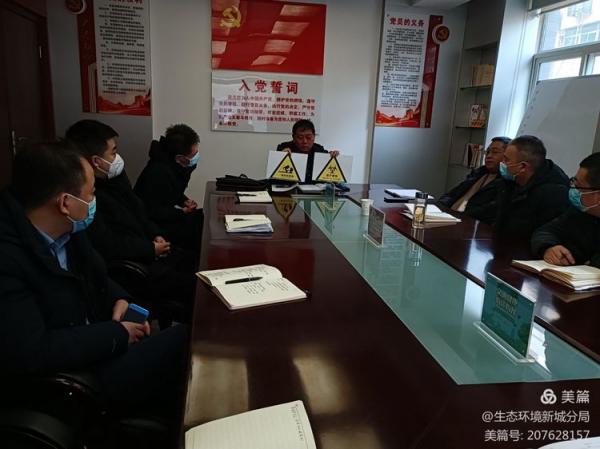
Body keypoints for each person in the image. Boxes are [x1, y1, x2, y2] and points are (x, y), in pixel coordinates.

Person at [0, 142, 188, 443]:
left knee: (189, 351)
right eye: (91, 193)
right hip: (66, 382)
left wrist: (120, 299)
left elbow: (99, 276)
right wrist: (117, 334)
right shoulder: (8, 258)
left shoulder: (67, 230)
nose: (93, 201)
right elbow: (33, 351)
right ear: (65, 203)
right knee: (187, 341)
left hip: (95, 343)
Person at [65, 120, 197, 311]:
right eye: (113, 152)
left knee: (199, 263)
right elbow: (108, 243)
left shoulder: (114, 177)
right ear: (96, 161)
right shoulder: (86, 199)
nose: (117, 158)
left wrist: (155, 234)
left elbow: (139, 209)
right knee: (198, 285)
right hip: (137, 264)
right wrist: (149, 249)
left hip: (150, 248)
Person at [134, 124, 203, 251]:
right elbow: (151, 210)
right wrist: (181, 212)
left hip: (165, 216)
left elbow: (171, 192)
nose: (196, 157)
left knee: (201, 217)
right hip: (152, 226)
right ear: (179, 158)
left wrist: (183, 200)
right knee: (197, 226)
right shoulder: (158, 172)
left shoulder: (174, 164)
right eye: (193, 155)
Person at [493, 135, 570, 239]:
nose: (502, 163)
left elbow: (543, 236)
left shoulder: (554, 194)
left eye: (506, 160)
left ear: (523, 167)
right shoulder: (510, 180)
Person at [531, 153, 600, 267]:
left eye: (578, 187)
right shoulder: (579, 211)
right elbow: (545, 231)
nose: (573, 190)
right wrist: (548, 247)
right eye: (573, 182)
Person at [439, 136, 511, 222]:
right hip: (448, 216)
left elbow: (485, 212)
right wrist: (439, 206)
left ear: (507, 157)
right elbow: (452, 194)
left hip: (465, 221)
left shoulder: (505, 182)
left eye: (495, 152)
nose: (489, 156)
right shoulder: (478, 173)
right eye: (487, 152)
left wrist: (457, 216)